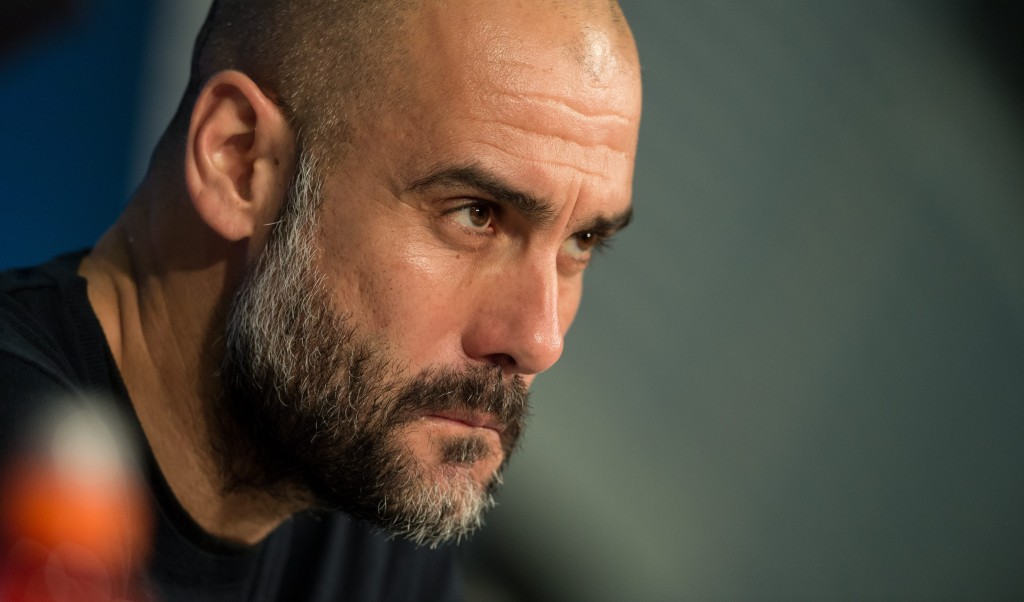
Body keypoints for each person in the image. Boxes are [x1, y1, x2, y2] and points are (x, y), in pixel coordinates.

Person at [0, 0, 641, 598]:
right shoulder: (22, 486)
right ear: (240, 161)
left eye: (581, 241)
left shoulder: (373, 494)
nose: (539, 342)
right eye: (476, 214)